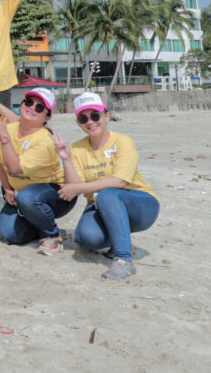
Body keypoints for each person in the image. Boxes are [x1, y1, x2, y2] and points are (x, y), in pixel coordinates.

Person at [55, 92, 160, 280]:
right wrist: (66, 159)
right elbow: (74, 185)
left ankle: (123, 259)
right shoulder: (77, 148)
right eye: (83, 118)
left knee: (107, 194)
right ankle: (119, 238)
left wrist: (78, 189)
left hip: (140, 203)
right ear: (78, 123)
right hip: (99, 207)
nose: (90, 122)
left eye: (95, 116)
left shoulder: (122, 141)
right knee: (86, 237)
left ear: (107, 116)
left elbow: (120, 181)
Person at [0, 84, 76, 254]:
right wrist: (7, 189)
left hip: (55, 194)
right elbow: (0, 163)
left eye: (39, 107)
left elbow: (14, 168)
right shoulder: (8, 128)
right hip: (22, 194)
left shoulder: (45, 140)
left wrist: (4, 138)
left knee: (28, 197)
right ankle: (38, 223)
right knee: (5, 234)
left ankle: (52, 235)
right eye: (29, 102)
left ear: (47, 116)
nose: (32, 108)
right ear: (22, 103)